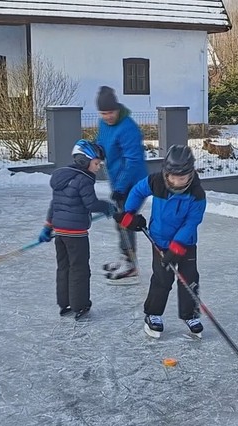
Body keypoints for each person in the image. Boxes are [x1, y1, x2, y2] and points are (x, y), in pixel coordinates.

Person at [116, 145, 207, 339]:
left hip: (186, 243)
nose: (177, 182)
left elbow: (192, 222)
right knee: (162, 278)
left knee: (189, 278)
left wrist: (178, 244)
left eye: (182, 178)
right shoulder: (156, 181)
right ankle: (153, 314)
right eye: (173, 177)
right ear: (166, 172)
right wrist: (129, 213)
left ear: (191, 173)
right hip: (159, 240)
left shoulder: (197, 193)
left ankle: (190, 314)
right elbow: (138, 191)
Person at [39, 139, 116, 321]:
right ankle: (80, 304)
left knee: (63, 267)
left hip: (60, 233)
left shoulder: (62, 177)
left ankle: (64, 303)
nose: (98, 167)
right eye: (96, 163)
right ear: (84, 161)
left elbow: (55, 205)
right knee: (79, 269)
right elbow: (91, 204)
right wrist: (107, 207)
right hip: (76, 234)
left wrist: (48, 226)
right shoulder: (84, 179)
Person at [96, 85, 149, 285]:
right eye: (103, 113)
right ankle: (125, 256)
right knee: (120, 221)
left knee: (126, 220)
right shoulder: (103, 124)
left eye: (111, 112)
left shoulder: (128, 128)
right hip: (118, 181)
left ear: (117, 108)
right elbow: (101, 144)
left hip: (133, 183)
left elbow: (133, 161)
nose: (108, 116)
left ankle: (130, 264)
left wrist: (121, 188)